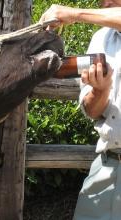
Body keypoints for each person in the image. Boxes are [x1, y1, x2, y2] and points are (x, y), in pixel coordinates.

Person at [40, 1, 121, 220]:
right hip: (109, 163)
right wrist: (100, 90)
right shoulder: (100, 38)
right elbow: (92, 110)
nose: (106, 2)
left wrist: (74, 14)